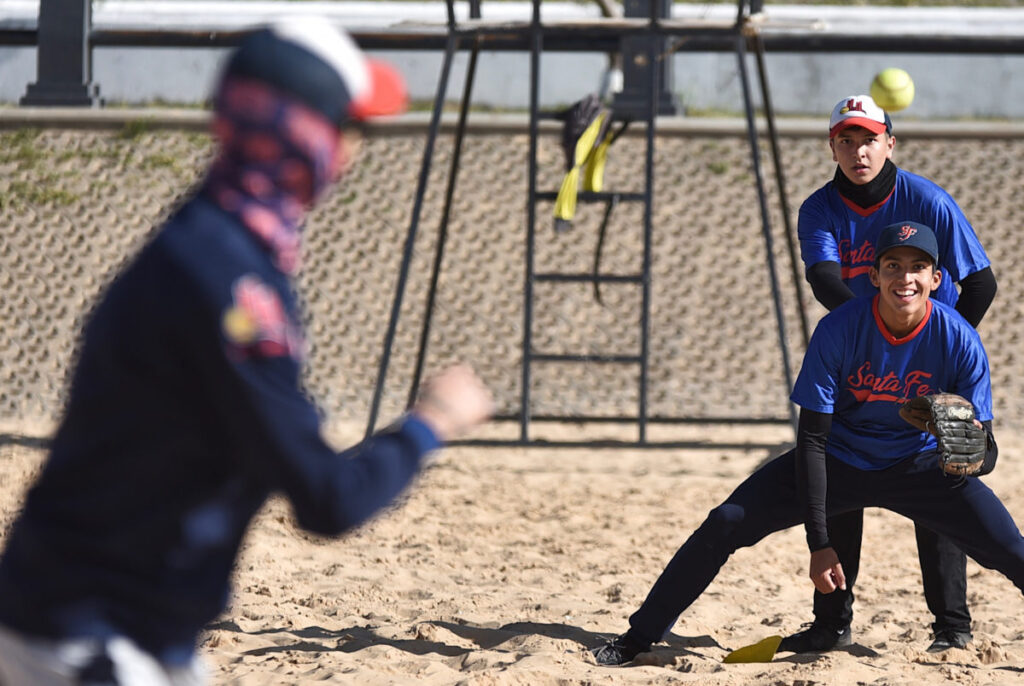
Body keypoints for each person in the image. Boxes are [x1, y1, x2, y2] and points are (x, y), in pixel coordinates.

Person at [0, 19, 493, 686]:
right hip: (83, 633)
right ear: (300, 132)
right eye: (351, 129)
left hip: (129, 627)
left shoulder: (212, 242)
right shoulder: (231, 288)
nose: (352, 155)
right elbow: (326, 498)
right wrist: (430, 422)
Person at [590, 221, 1019, 667]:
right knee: (723, 524)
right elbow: (812, 439)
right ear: (874, 276)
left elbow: (986, 454)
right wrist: (820, 543)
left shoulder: (960, 340)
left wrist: (967, 454)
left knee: (1010, 549)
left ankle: (952, 625)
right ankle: (637, 637)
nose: (904, 278)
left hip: (916, 464)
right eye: (892, 266)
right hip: (840, 458)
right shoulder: (840, 328)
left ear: (936, 279)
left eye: (918, 267)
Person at [791, 93, 998, 654]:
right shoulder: (820, 208)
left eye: (869, 138)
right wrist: (866, 343)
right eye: (847, 140)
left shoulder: (927, 200)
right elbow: (826, 282)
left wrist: (938, 351)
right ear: (832, 146)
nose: (859, 150)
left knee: (942, 477)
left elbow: (980, 283)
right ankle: (831, 623)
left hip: (927, 364)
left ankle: (952, 628)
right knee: (840, 473)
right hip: (860, 363)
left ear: (890, 142)